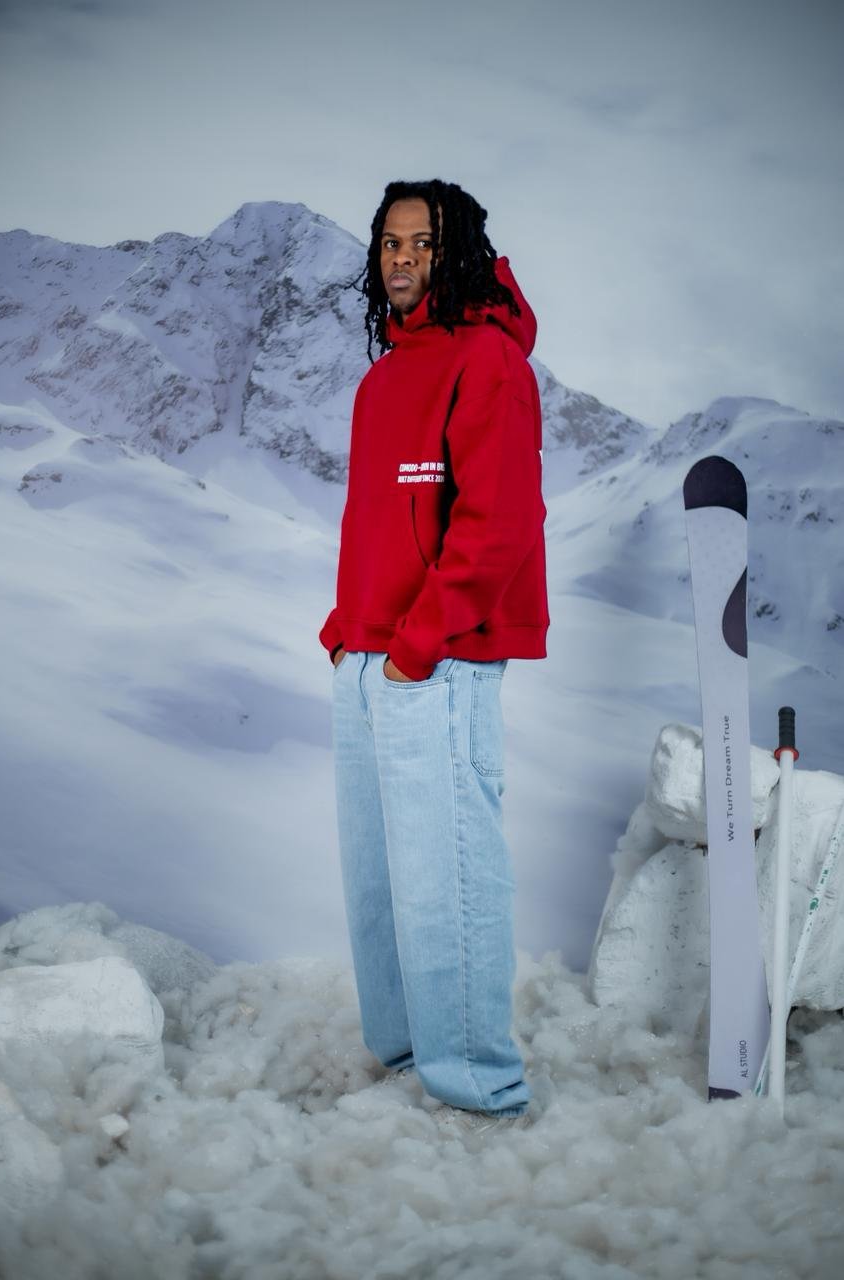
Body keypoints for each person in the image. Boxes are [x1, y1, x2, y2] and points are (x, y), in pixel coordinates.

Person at [318, 178, 549, 1123]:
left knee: (446, 877)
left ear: (456, 253)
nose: (403, 258)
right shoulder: (383, 378)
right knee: (380, 881)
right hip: (370, 657)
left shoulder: (489, 360)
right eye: (390, 242)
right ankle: (409, 1057)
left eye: (422, 241)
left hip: (438, 658)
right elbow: (378, 522)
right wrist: (346, 631)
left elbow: (498, 525)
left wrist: (415, 647)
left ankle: (479, 1092)